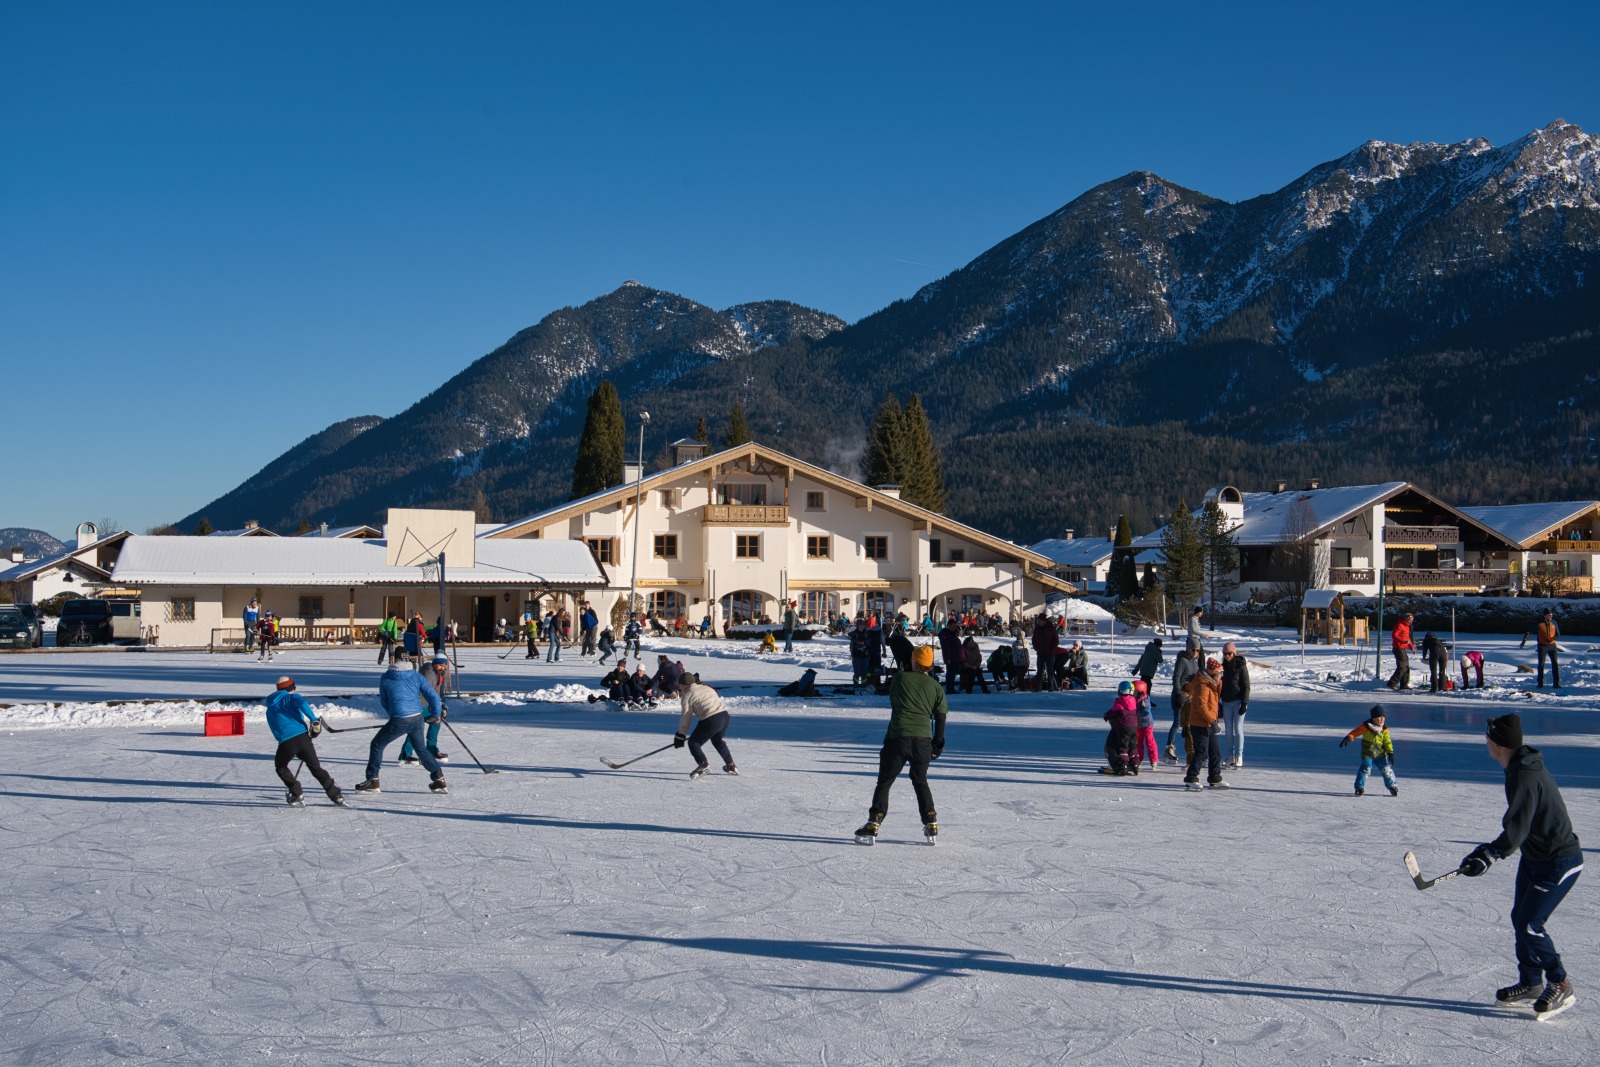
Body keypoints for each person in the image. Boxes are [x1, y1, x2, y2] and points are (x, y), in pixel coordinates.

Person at [1460, 713, 1582, 1018]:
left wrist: (1491, 854)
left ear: (1498, 743)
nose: (1485, 741)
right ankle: (1531, 983)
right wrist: (1489, 851)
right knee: (1520, 919)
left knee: (1530, 924)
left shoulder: (1523, 775)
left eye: (1488, 737)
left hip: (1559, 861)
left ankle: (1560, 981)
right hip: (1536, 858)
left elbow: (1517, 830)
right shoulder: (1519, 766)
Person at [854, 645, 947, 844]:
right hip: (923, 741)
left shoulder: (899, 679)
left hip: (898, 738)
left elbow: (894, 700)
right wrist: (937, 744)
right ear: (929, 665)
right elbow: (940, 716)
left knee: (885, 782)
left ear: (914, 661)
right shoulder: (936, 687)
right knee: (920, 781)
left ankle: (873, 822)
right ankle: (931, 821)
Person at [355, 649, 448, 795]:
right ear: (408, 659)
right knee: (421, 749)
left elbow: (385, 701)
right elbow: (432, 696)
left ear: (393, 659)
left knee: (377, 745)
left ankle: (373, 779)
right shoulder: (415, 675)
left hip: (400, 718)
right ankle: (438, 778)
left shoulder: (386, 677)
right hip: (417, 717)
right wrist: (436, 714)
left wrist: (394, 716)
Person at [264, 676, 343, 806]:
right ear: (291, 688)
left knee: (281, 767)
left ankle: (296, 792)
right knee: (316, 768)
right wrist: (314, 720)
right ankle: (336, 795)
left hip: (286, 743)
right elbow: (302, 704)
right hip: (303, 739)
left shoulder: (270, 707)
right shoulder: (292, 697)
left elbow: (275, 728)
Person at [673, 672, 737, 779]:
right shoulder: (706, 688)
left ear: (684, 685)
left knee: (694, 742)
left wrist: (681, 735)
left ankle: (703, 764)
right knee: (717, 740)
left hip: (711, 719)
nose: (679, 687)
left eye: (680, 685)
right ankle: (731, 765)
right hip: (724, 716)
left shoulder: (687, 695)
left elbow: (686, 717)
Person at [1182, 656, 1226, 791]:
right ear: (1212, 672)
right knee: (1201, 753)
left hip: (1209, 722)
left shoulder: (1211, 683)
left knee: (1215, 752)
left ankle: (1214, 777)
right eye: (1219, 672)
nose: (1221, 675)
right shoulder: (1202, 684)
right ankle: (1191, 778)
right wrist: (1212, 721)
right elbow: (1201, 706)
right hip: (1200, 724)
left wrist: (1218, 681)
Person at [401, 655, 452, 765]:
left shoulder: (437, 674)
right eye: (440, 665)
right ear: (434, 664)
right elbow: (427, 692)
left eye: (444, 666)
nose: (442, 668)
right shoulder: (428, 674)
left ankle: (431, 748)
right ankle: (405, 754)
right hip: (417, 705)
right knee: (416, 728)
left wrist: (440, 706)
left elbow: (435, 693)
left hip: (426, 704)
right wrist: (435, 707)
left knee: (436, 721)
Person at [1340, 704, 1397, 797]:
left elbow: (1388, 742)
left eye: (1383, 717)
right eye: (1379, 717)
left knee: (1386, 770)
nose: (1382, 719)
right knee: (1365, 769)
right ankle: (1359, 787)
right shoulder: (1366, 726)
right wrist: (1348, 738)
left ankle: (1393, 786)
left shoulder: (1384, 729)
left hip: (1381, 754)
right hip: (1368, 754)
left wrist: (1391, 753)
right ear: (1373, 718)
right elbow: (1355, 732)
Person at [1219, 642, 1250, 768]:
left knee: (1237, 728)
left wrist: (1244, 703)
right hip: (1226, 701)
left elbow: (1246, 685)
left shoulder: (1240, 666)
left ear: (1234, 653)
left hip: (1238, 702)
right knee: (1228, 730)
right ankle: (1229, 755)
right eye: (1225, 653)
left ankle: (1239, 755)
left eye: (1229, 653)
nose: (1227, 656)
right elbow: (1219, 684)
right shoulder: (1222, 667)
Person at [1101, 680, 1141, 776]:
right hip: (1134, 727)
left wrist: (1106, 715)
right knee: (1132, 746)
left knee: (1123, 747)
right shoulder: (1133, 701)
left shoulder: (1119, 701)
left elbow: (1112, 712)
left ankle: (1123, 765)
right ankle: (1134, 764)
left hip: (1123, 727)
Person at [1167, 646, 1199, 762]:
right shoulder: (1182, 660)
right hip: (1180, 696)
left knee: (1188, 726)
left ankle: (1192, 754)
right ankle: (1169, 748)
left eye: (1198, 650)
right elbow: (1176, 677)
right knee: (1177, 723)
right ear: (1188, 649)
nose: (1195, 652)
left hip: (1190, 697)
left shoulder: (1195, 662)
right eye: (1193, 649)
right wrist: (1178, 694)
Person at [1133, 679, 1159, 769]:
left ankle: (1154, 760)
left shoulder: (1145, 700)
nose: (1132, 693)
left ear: (1140, 692)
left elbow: (1146, 711)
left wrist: (1137, 711)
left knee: (1150, 742)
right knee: (1138, 742)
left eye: (1134, 691)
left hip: (1147, 724)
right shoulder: (1134, 698)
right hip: (1137, 724)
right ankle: (1139, 759)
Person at [1031, 615, 1060, 691]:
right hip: (1040, 653)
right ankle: (1038, 687)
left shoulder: (1051, 628)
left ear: (1043, 621)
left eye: (1039, 620)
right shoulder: (1037, 628)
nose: (1038, 622)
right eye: (1038, 621)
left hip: (1050, 653)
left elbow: (1056, 640)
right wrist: (1036, 647)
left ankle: (1051, 687)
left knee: (1050, 670)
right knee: (1039, 670)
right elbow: (1034, 639)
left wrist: (1052, 649)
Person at [1387, 612, 1415, 691]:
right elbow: (1394, 635)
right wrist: (1403, 641)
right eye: (1409, 619)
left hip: (1403, 648)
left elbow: (1407, 638)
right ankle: (1392, 683)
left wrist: (1412, 647)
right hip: (1398, 648)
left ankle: (1404, 684)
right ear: (1405, 618)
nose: (1410, 621)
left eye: (1411, 619)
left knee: (1406, 666)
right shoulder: (1399, 625)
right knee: (1402, 667)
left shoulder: (1407, 626)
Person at [1535, 609, 1561, 689]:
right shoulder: (1539, 623)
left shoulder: (1554, 622)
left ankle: (1556, 683)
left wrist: (1553, 639)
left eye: (1551, 615)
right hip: (1542, 646)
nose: (1550, 616)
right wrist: (1524, 642)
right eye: (1549, 615)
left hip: (1552, 646)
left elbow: (1558, 634)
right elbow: (1529, 631)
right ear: (1544, 615)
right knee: (1541, 664)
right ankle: (1540, 683)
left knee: (1555, 664)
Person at [938, 620, 964, 695]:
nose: (954, 627)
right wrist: (948, 658)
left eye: (955, 626)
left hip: (956, 657)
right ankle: (950, 689)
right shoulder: (946, 635)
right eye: (953, 626)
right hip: (952, 658)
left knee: (952, 674)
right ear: (949, 625)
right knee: (950, 674)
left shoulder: (951, 634)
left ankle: (951, 688)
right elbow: (946, 648)